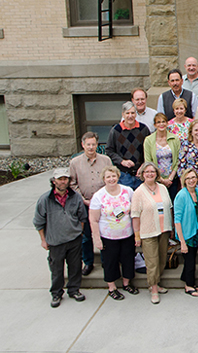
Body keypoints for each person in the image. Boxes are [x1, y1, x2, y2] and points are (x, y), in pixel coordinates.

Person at [33, 168, 88, 308]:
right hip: (55, 240)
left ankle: (74, 290)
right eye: (60, 179)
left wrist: (79, 232)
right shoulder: (45, 199)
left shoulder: (75, 197)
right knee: (56, 269)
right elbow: (39, 221)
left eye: (65, 179)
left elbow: (82, 217)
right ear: (53, 181)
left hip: (74, 239)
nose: (63, 182)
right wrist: (43, 240)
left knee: (75, 266)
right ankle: (56, 293)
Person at [89, 165, 138, 300]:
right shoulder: (99, 196)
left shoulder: (128, 191)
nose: (111, 179)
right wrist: (97, 239)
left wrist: (136, 233)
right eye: (108, 177)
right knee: (110, 262)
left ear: (118, 176)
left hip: (127, 234)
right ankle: (112, 287)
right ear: (104, 179)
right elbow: (93, 219)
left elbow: (134, 213)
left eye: (113, 176)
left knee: (128, 260)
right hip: (108, 236)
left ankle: (127, 283)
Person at [69, 131, 111, 277]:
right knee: (87, 235)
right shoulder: (75, 163)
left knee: (105, 233)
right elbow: (72, 184)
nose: (91, 147)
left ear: (97, 145)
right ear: (83, 145)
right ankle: (88, 262)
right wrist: (83, 200)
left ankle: (107, 261)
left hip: (104, 205)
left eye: (94, 144)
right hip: (84, 203)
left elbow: (111, 180)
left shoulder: (106, 160)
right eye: (88, 145)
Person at [131, 162, 173, 305]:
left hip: (164, 229)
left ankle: (156, 283)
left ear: (157, 173)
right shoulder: (138, 192)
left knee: (162, 259)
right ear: (142, 174)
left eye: (152, 171)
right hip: (148, 232)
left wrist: (171, 227)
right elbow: (135, 215)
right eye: (147, 172)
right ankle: (153, 288)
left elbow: (169, 208)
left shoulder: (162, 188)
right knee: (152, 261)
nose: (150, 174)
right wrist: (136, 235)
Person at [173, 168, 198, 297]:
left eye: (193, 177)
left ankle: (187, 278)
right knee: (189, 260)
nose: (191, 180)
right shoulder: (181, 195)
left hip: (196, 231)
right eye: (188, 178)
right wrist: (182, 242)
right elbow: (177, 219)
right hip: (186, 233)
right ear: (184, 180)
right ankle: (189, 285)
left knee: (192, 257)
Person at [106, 102, 151, 189]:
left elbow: (149, 150)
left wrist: (144, 165)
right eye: (127, 113)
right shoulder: (116, 130)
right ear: (123, 114)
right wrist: (122, 161)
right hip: (123, 175)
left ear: (136, 114)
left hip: (140, 174)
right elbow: (109, 150)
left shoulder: (143, 129)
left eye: (132, 113)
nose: (130, 116)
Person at [144, 112, 180, 200]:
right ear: (155, 125)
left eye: (163, 121)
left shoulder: (174, 139)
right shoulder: (149, 140)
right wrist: (161, 179)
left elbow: (179, 159)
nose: (161, 124)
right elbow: (148, 162)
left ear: (167, 123)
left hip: (172, 179)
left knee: (173, 204)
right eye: (158, 122)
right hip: (156, 179)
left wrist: (170, 178)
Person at [177, 120, 198, 187]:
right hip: (190, 183)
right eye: (196, 130)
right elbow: (181, 166)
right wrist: (183, 182)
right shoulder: (185, 145)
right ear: (191, 132)